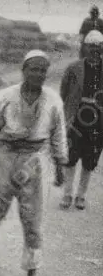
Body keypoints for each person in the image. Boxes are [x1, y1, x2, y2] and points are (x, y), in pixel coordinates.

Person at [0, 50, 68, 276]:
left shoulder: (53, 100)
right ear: (24, 70)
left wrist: (60, 165)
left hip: (34, 160)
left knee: (33, 219)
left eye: (43, 70)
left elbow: (58, 135)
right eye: (33, 69)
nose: (38, 74)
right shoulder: (5, 96)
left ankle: (32, 273)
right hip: (4, 156)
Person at [59, 30, 103, 211]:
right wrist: (69, 112)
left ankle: (81, 196)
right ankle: (67, 194)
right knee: (71, 156)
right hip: (77, 118)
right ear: (85, 47)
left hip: (98, 120)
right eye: (91, 46)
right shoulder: (73, 68)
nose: (94, 49)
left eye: (98, 46)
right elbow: (64, 92)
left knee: (90, 158)